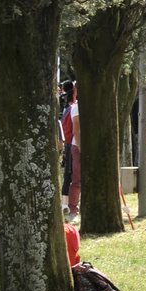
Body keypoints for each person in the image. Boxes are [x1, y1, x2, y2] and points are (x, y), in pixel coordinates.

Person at [59, 81, 81, 217]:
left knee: (73, 176)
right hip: (75, 145)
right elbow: (76, 131)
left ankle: (69, 205)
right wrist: (80, 147)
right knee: (75, 178)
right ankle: (71, 207)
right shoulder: (76, 107)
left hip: (73, 145)